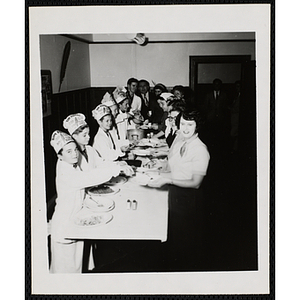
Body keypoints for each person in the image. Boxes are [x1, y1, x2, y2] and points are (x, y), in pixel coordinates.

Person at [49, 130, 132, 273]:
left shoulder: (71, 165)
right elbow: (89, 178)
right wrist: (116, 168)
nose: (75, 154)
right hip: (64, 226)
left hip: (75, 221)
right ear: (59, 155)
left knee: (77, 268)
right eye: (68, 152)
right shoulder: (65, 171)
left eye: (74, 149)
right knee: (65, 274)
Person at [148, 110, 210, 269]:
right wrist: (158, 170)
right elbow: (174, 166)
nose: (185, 128)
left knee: (186, 242)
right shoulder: (182, 142)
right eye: (183, 123)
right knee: (175, 237)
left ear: (197, 126)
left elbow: (196, 183)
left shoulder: (200, 149)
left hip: (189, 200)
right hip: (176, 195)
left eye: (190, 124)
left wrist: (167, 179)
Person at [203, 78, 230, 154]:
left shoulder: (224, 95)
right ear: (213, 85)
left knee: (219, 134)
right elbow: (205, 107)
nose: (217, 86)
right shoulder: (208, 95)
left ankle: (218, 148)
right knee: (211, 134)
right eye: (215, 84)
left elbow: (225, 107)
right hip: (210, 118)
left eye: (218, 84)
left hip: (220, 118)